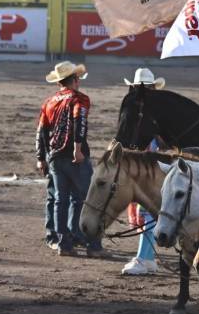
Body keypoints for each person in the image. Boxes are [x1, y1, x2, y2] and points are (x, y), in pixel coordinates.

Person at [36, 61, 108, 258]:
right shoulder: (80, 99)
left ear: (59, 82)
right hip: (75, 157)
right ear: (75, 80)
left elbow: (42, 131)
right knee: (86, 200)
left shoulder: (49, 102)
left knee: (61, 199)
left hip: (55, 157)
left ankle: (64, 244)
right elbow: (79, 123)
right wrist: (77, 149)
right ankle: (92, 244)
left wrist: (41, 157)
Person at [121, 68, 164, 276]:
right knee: (148, 213)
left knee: (147, 212)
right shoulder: (155, 110)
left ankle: (143, 258)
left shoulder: (137, 111)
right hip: (154, 166)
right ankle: (146, 257)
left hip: (149, 169)